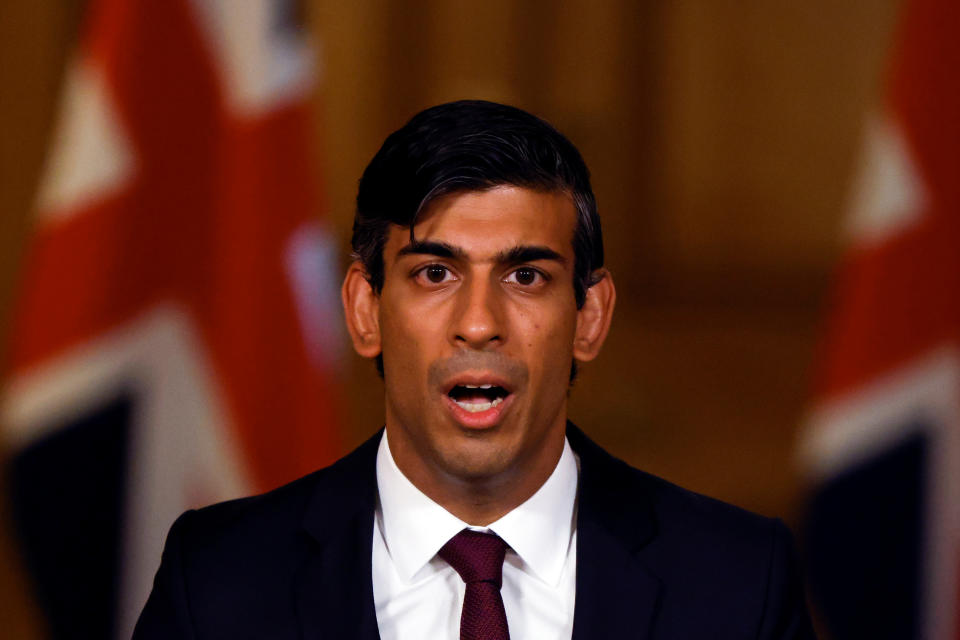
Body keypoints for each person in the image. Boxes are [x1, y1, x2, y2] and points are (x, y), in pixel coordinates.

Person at [133, 100, 815, 639]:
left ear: (590, 316)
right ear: (365, 310)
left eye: (525, 275)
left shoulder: (737, 582)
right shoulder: (219, 582)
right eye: (435, 273)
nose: (480, 321)